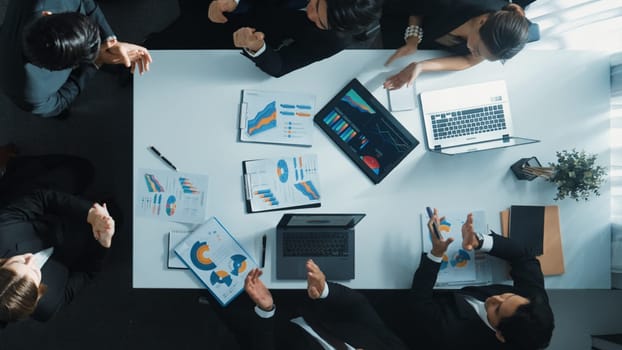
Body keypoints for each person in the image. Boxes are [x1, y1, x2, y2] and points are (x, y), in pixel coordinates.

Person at [404, 208, 554, 349]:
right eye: (507, 296)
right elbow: (525, 258)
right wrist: (479, 242)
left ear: (500, 335)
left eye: (497, 309)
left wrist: (436, 254)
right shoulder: (533, 304)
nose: (494, 298)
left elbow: (419, 302)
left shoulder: (454, 335)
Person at [146, 0, 381, 77]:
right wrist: (236, 2)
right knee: (176, 37)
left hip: (257, 32)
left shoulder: (335, 39)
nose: (310, 14)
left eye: (319, 22)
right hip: (242, 7)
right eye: (316, 5)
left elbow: (282, 65)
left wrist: (258, 47)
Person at [0, 0, 152, 118]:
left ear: (47, 14)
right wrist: (96, 62)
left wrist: (110, 40)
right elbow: (59, 103)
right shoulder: (29, 92)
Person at [226, 260, 409, 349]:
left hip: (264, 323)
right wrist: (325, 291)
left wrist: (265, 310)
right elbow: (358, 305)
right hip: (305, 299)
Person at [0, 189, 116, 325]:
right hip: (87, 243)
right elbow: (87, 273)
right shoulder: (49, 305)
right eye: (34, 272)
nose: (30, 258)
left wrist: (89, 214)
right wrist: (103, 243)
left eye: (19, 261)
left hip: (63, 209)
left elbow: (42, 198)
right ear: (38, 294)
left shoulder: (3, 230)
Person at [383, 0, 536, 90]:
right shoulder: (452, 4)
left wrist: (422, 66)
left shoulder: (498, 40)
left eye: (482, 56)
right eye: (477, 50)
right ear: (481, 22)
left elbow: (468, 61)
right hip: (404, 19)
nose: (475, 55)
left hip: (423, 48)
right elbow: (416, 8)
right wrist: (412, 40)